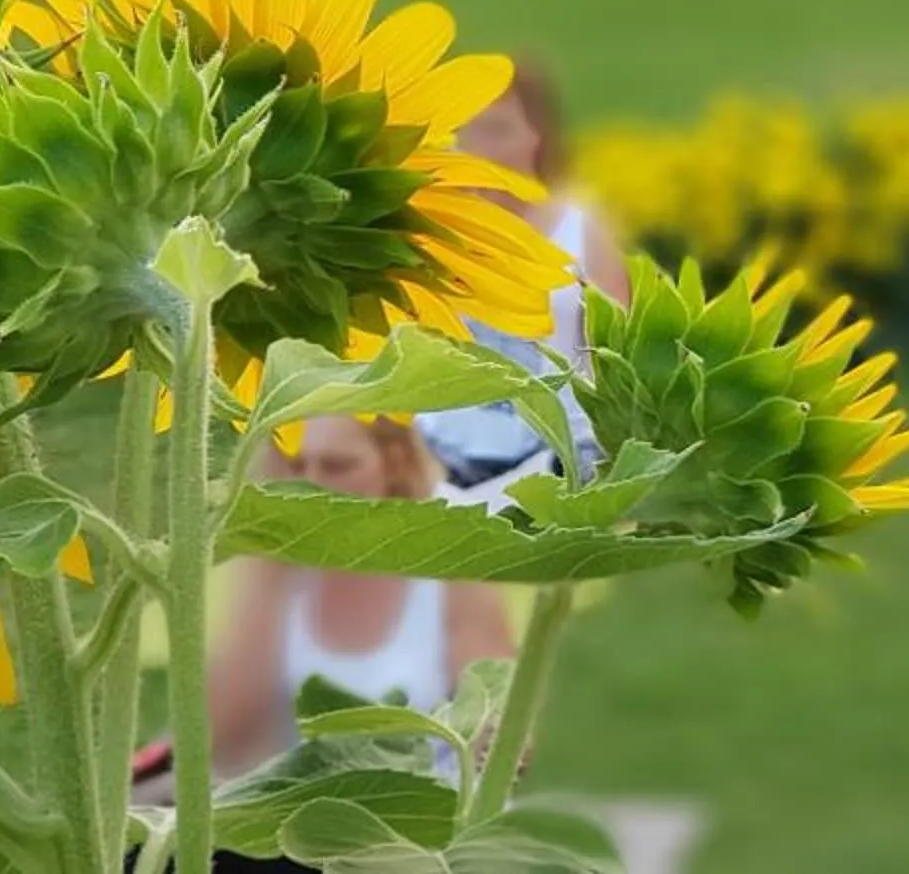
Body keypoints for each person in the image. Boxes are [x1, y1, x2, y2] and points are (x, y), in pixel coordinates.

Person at [173, 416, 514, 872]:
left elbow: (502, 714)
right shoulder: (282, 572)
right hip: (301, 826)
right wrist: (268, 578)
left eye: (336, 466)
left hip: (415, 830)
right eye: (297, 466)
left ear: (393, 462)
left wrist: (491, 734)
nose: (312, 486)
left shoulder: (445, 558)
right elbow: (221, 736)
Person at [418, 65, 631, 503]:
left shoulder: (582, 229)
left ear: (539, 135)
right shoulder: (432, 226)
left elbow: (620, 353)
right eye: (468, 131)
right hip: (443, 462)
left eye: (499, 130)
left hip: (562, 460)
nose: (481, 147)